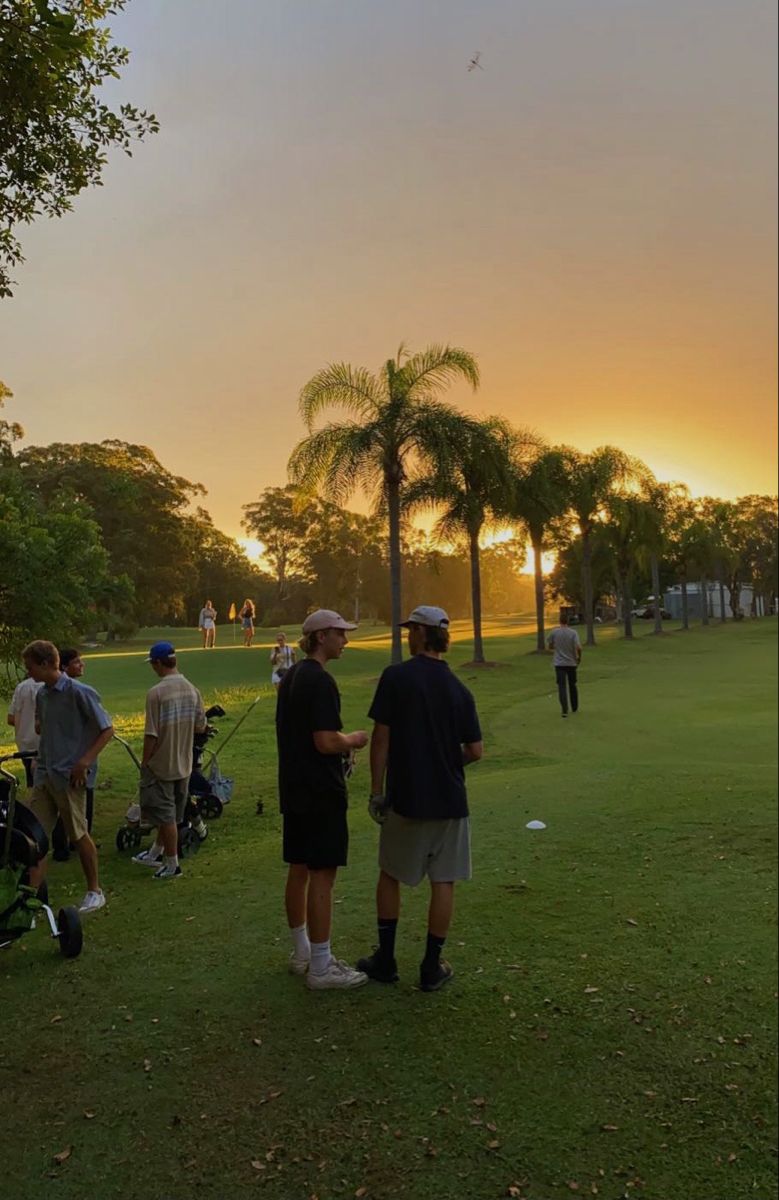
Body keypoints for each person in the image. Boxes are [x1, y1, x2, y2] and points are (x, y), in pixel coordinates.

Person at [356, 606, 483, 992]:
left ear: (423, 634)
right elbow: (475, 751)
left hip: (406, 798)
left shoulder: (396, 677)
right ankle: (431, 967)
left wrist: (377, 790)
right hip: (450, 801)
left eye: (412, 630)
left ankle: (387, 958)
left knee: (391, 873)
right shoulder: (460, 689)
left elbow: (381, 738)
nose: (408, 635)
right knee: (443, 880)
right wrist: (448, 762)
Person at [276, 609, 369, 990]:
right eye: (340, 634)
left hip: (295, 788)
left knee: (299, 868)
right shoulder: (322, 682)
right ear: (320, 637)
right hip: (320, 792)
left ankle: (302, 952)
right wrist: (353, 740)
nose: (345, 641)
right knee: (322, 875)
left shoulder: (292, 676)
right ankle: (321, 966)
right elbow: (326, 740)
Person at [23, 640, 113, 914]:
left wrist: (84, 761)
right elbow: (44, 728)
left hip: (69, 777)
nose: (28, 673)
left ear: (46, 664)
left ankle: (95, 891)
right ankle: (28, 901)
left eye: (30, 667)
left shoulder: (79, 692)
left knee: (77, 834)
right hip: (45, 775)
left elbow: (106, 730)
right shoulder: (42, 695)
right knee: (32, 837)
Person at [132, 641, 207, 880]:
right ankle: (156, 852)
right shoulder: (192, 689)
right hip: (183, 762)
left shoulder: (156, 693)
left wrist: (145, 762)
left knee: (165, 817)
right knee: (173, 813)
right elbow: (200, 726)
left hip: (161, 765)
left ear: (158, 663)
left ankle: (172, 864)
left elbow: (151, 734)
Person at [50, 649, 96, 861]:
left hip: (71, 760)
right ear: (64, 667)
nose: (82, 665)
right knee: (71, 806)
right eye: (77, 662)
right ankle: (72, 844)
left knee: (68, 806)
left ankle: (70, 845)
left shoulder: (77, 691)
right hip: (72, 762)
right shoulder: (60, 692)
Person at [6, 671, 42, 788]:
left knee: (32, 783)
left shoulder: (21, 687)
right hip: (46, 744)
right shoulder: (52, 686)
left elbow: (11, 719)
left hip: (26, 743)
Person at [547, 611, 582, 718]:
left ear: (560, 621)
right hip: (571, 663)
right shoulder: (573, 633)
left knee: (562, 686)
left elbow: (550, 646)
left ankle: (564, 710)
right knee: (572, 685)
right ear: (568, 621)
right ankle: (574, 707)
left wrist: (556, 647)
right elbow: (579, 648)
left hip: (559, 664)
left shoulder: (554, 632)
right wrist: (579, 658)